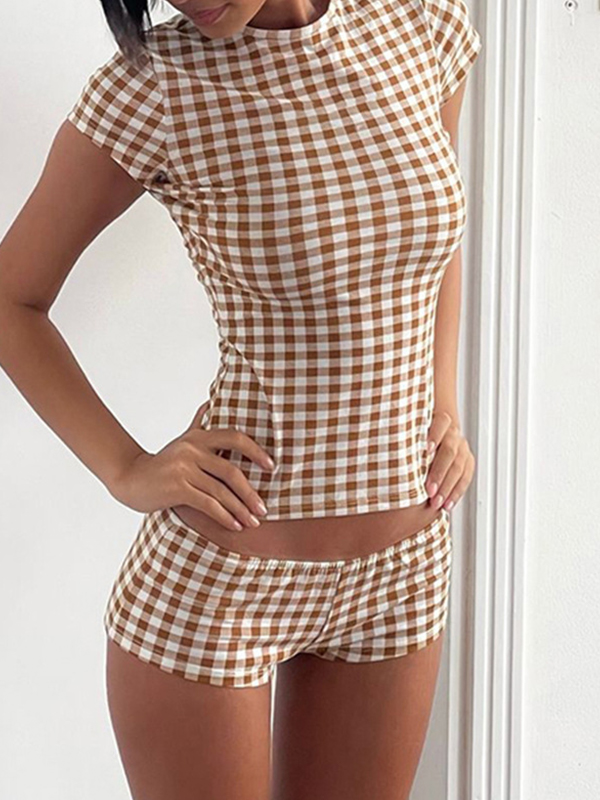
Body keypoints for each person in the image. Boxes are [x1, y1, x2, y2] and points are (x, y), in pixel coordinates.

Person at [0, 0, 482, 797]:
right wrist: (126, 469)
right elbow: (12, 298)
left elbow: (434, 236)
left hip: (402, 574)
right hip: (226, 586)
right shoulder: (153, 86)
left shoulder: (422, 21)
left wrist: (444, 404)